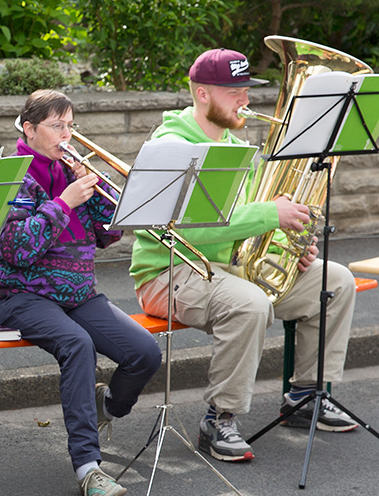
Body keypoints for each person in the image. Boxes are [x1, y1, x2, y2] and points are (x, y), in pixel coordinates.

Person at [131, 48, 358, 463]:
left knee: (336, 281)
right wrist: (272, 212)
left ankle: (306, 395)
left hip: (230, 269)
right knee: (250, 304)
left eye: (246, 90)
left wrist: (289, 246)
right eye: (234, 91)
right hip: (171, 270)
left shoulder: (237, 143)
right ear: (201, 94)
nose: (246, 100)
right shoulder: (172, 143)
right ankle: (219, 417)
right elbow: (194, 225)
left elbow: (252, 221)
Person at [0, 90, 162, 496]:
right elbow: (17, 249)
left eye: (71, 125)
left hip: (78, 294)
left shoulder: (71, 170)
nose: (68, 134)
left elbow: (109, 235)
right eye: (58, 125)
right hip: (18, 294)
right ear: (29, 129)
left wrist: (100, 195)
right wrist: (63, 202)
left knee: (145, 352)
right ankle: (88, 467)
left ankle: (106, 408)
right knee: (77, 344)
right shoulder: (13, 176)